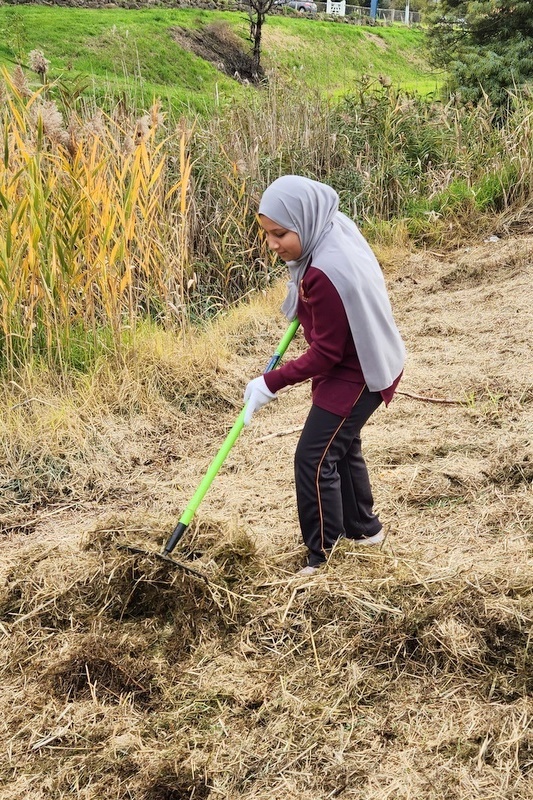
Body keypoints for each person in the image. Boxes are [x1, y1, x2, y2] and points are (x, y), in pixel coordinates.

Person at [243, 175, 406, 576]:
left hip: (359, 371)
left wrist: (271, 382)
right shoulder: (331, 226)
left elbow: (327, 354)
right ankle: (365, 530)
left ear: (305, 220)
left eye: (280, 234)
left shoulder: (324, 273)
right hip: (366, 353)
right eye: (267, 234)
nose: (272, 245)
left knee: (314, 458)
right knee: (342, 445)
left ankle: (324, 556)